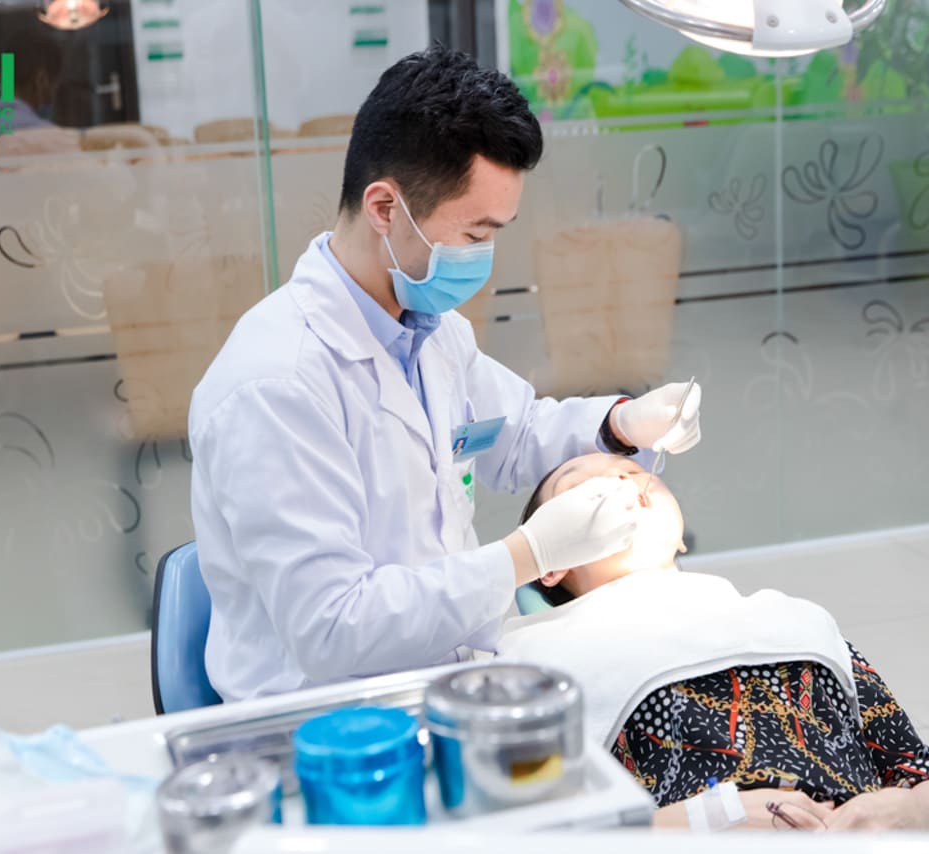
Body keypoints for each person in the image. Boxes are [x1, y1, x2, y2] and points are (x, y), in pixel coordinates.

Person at [188, 45, 703, 702]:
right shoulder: (275, 387)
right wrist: (525, 556)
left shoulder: (431, 332)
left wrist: (623, 422)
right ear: (384, 208)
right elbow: (333, 628)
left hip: (451, 678)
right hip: (334, 719)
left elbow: (513, 435)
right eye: (475, 235)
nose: (486, 256)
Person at [497, 453, 929, 832]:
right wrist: (704, 821)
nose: (621, 480)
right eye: (581, 486)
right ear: (548, 563)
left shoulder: (794, 620)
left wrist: (912, 811)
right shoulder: (539, 664)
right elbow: (528, 830)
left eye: (631, 470)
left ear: (680, 539)